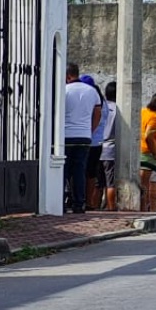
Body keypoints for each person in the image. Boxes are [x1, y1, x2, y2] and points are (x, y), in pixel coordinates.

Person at [64, 63, 101, 214]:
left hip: (65, 136)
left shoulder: (64, 90)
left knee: (64, 171)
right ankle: (79, 203)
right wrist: (90, 129)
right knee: (80, 171)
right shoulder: (92, 91)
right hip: (84, 136)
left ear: (67, 76)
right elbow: (98, 112)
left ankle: (61, 202)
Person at [81, 74, 109, 210]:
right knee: (91, 173)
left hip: (87, 140)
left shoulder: (92, 101)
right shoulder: (103, 102)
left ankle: (83, 199)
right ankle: (89, 201)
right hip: (98, 142)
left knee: (81, 171)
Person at [98, 81, 119, 211]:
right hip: (110, 149)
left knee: (97, 182)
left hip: (97, 146)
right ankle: (111, 208)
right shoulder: (119, 109)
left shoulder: (101, 106)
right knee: (110, 182)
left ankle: (94, 206)